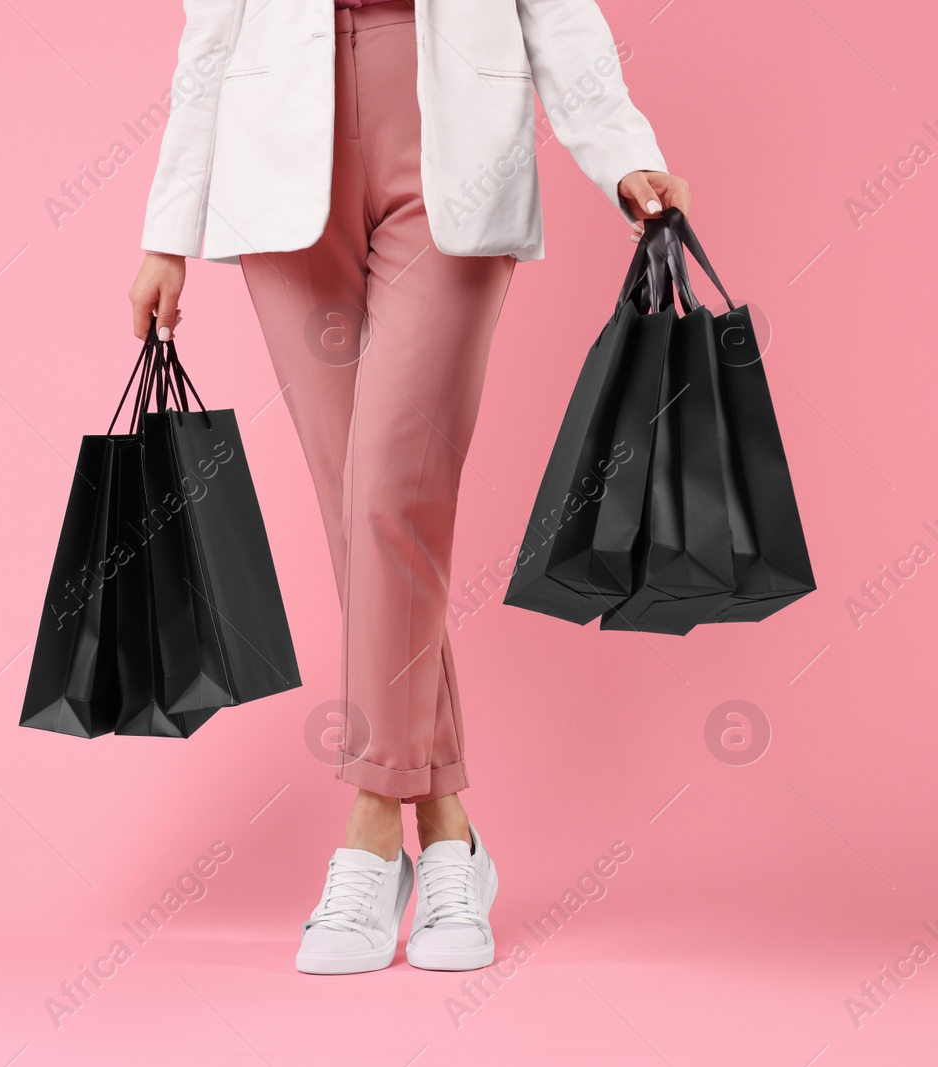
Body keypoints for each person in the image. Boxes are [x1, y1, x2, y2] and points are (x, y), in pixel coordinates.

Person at [128, 0, 688, 975]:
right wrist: (166, 229)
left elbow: (554, 9)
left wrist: (619, 148)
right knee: (361, 516)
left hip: (454, 155)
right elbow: (212, 25)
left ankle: (368, 826)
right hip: (278, 161)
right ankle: (451, 833)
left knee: (392, 496)